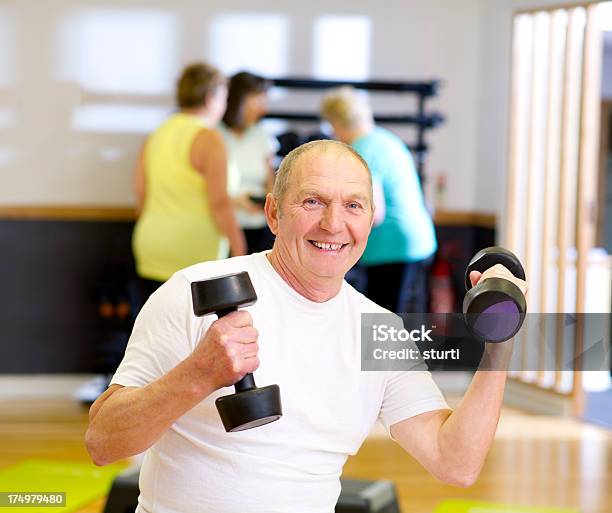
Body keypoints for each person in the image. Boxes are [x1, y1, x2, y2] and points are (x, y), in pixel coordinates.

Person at [86, 140, 527, 513]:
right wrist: (197, 375)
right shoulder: (194, 291)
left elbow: (455, 463)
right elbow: (102, 442)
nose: (333, 224)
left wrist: (498, 348)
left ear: (370, 220)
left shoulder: (378, 331)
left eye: (353, 206)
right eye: (313, 201)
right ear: (274, 214)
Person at [132, 62, 246, 299]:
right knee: (196, 334)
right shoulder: (208, 137)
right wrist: (240, 254)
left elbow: (141, 194)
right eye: (223, 98)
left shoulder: (157, 134)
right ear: (209, 98)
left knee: (157, 331)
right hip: (194, 250)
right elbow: (219, 203)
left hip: (150, 243)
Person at [321, 87, 437, 313]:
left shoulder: (362, 150)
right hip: (417, 241)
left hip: (392, 247)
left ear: (337, 123)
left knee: (382, 325)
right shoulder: (385, 139)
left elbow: (375, 213)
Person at [219, 71, 279, 254]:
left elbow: (270, 180)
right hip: (222, 226)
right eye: (259, 100)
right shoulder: (213, 135)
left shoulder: (261, 135)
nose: (264, 108)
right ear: (240, 100)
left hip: (258, 226)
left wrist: (269, 203)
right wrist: (235, 201)